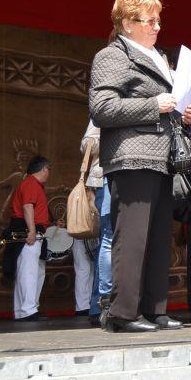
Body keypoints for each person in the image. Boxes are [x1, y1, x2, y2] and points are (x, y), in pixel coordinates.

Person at [89, 0, 191, 332]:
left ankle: (155, 310)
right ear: (127, 23)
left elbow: (166, 105)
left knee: (158, 238)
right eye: (149, 21)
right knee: (132, 237)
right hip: (132, 156)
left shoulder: (157, 57)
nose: (157, 27)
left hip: (163, 156)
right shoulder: (112, 55)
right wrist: (155, 105)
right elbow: (102, 108)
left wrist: (182, 112)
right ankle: (122, 313)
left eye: (158, 20)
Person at [11, 155, 51, 321]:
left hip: (34, 232)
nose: (49, 173)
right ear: (44, 169)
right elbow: (28, 207)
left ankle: (25, 309)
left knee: (32, 270)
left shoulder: (31, 184)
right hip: (30, 233)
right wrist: (32, 231)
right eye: (48, 169)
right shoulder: (31, 184)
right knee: (29, 271)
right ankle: (27, 310)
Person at [80, 122, 110, 328]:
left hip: (130, 178)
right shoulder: (102, 111)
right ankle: (99, 305)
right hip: (104, 178)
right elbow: (86, 144)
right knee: (108, 238)